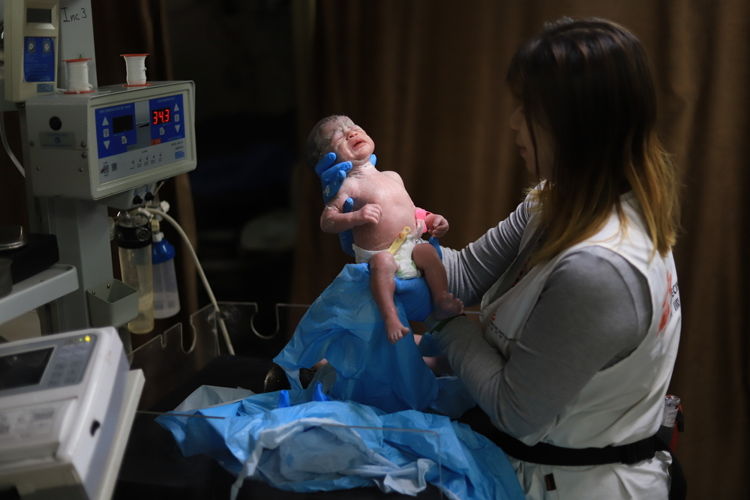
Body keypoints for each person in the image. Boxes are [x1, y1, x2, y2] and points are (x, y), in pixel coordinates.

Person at [419, 17, 683, 499]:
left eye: (530, 111)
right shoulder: (553, 201)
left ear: (579, 127)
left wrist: (446, 326)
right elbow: (458, 279)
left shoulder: (601, 270)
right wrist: (388, 232)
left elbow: (516, 412)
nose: (513, 122)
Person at [307, 115, 464, 343]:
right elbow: (327, 220)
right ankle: (390, 317)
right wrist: (354, 217)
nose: (350, 132)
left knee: (428, 253)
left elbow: (410, 209)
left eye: (354, 127)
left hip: (410, 247)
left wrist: (430, 219)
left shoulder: (392, 176)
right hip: (380, 255)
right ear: (328, 159)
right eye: (338, 135)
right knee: (383, 264)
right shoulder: (349, 185)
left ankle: (441, 300)